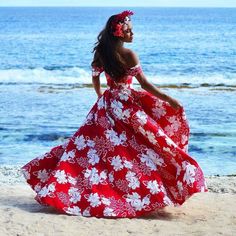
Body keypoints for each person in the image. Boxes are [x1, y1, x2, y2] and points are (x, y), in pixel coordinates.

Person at [21, 10, 208, 218]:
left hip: (107, 105)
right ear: (119, 33)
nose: (133, 34)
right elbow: (145, 84)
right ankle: (139, 193)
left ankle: (83, 189)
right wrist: (169, 99)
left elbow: (94, 76)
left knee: (91, 150)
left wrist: (100, 95)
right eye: (129, 31)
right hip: (126, 106)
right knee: (149, 145)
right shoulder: (130, 55)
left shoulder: (102, 52)